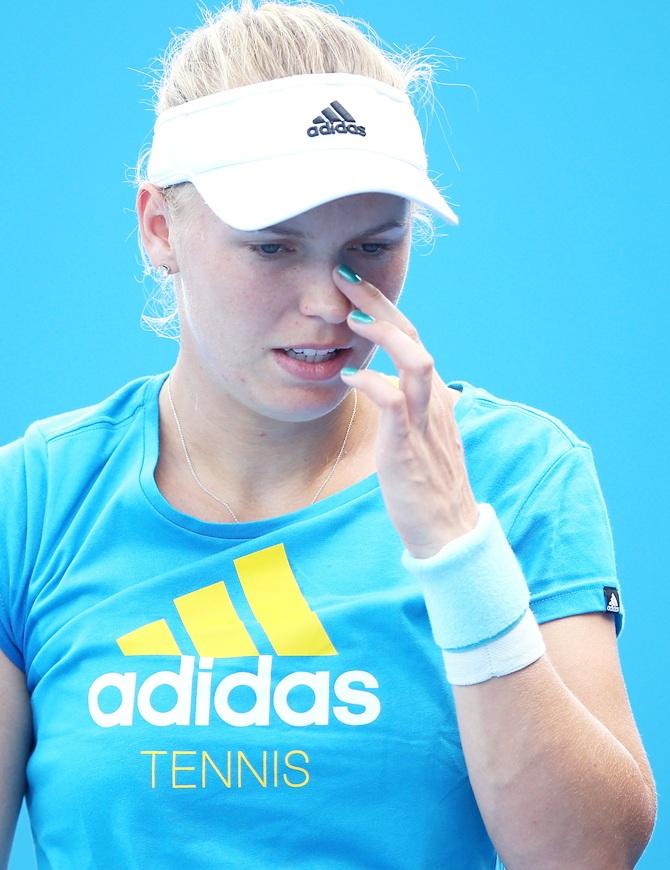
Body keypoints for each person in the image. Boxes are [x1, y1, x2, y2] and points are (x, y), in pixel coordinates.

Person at [0, 1, 657, 868]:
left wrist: (458, 551)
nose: (330, 301)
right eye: (272, 249)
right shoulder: (35, 497)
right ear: (161, 228)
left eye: (373, 246)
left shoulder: (514, 474)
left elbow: (591, 855)